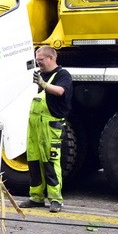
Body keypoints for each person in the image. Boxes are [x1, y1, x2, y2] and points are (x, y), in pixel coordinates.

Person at [22, 46, 73, 213]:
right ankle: (36, 197)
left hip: (51, 126)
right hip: (35, 124)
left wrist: (43, 84)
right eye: (37, 60)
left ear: (51, 58)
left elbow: (60, 91)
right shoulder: (39, 75)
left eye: (41, 60)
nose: (38, 63)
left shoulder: (62, 75)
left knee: (50, 162)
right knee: (34, 161)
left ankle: (55, 199)